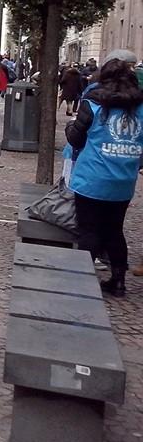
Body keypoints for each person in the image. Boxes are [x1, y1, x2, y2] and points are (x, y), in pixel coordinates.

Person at [66, 50, 143, 298]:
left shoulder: (93, 102)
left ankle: (80, 281)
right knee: (114, 229)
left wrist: (71, 126)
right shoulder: (140, 108)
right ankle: (118, 281)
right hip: (123, 179)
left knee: (88, 229)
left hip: (93, 177)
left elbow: (76, 138)